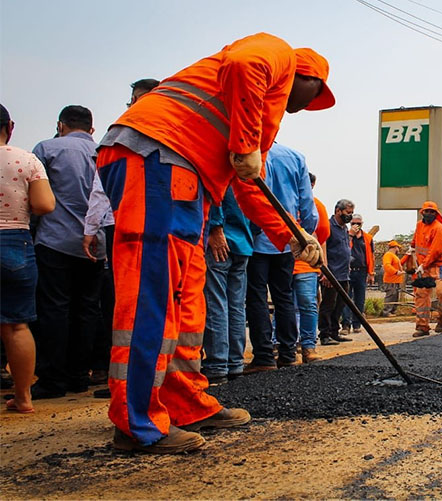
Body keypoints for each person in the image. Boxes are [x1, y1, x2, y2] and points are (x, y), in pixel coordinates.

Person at [95, 33, 331, 454]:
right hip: (156, 156)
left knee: (188, 303)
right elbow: (244, 66)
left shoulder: (256, 111)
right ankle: (137, 423)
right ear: (307, 75)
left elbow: (249, 183)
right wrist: (245, 146)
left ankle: (185, 404)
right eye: (313, 95)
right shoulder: (274, 53)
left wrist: (293, 236)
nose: (304, 107)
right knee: (154, 295)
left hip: (185, 176)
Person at [84, 78, 160, 397]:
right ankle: (148, 382)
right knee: (157, 303)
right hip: (161, 228)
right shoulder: (175, 133)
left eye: (134, 99)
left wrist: (90, 229)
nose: (130, 106)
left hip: (128, 227)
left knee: (127, 303)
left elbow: (102, 188)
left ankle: (129, 386)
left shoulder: (123, 133)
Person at [29, 105, 106, 400]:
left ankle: (52, 378)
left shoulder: (47, 148)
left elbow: (37, 199)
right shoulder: (104, 151)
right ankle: (79, 376)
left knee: (54, 309)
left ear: (61, 125)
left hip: (54, 241)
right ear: (91, 129)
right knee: (88, 310)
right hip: (96, 245)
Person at [0, 104, 56, 414]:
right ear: (10, 126)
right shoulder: (26, 160)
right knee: (16, 327)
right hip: (14, 241)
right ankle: (23, 397)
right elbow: (46, 204)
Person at [244, 143, 317, 371]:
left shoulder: (249, 154)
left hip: (255, 240)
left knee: (256, 298)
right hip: (287, 242)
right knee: (284, 297)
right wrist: (303, 236)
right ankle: (287, 353)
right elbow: (308, 206)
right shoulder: (295, 157)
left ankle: (264, 356)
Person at [202, 185, 253, 384]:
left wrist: (215, 227)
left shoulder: (223, 165)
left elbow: (214, 192)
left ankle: (217, 365)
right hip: (243, 241)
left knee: (217, 302)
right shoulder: (252, 169)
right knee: (236, 306)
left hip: (221, 238)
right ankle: (235, 363)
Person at [292, 172, 330, 363]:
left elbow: (322, 237)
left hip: (306, 266)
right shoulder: (285, 201)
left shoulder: (317, 207)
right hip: (283, 263)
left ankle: (308, 346)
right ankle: (282, 344)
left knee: (307, 304)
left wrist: (322, 266)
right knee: (285, 306)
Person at [409, 201, 442, 337]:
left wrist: (423, 265)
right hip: (424, 267)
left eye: (432, 212)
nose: (429, 214)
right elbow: (416, 241)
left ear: (436, 213)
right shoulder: (419, 226)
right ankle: (422, 327)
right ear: (422, 212)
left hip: (440, 265)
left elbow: (436, 250)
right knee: (421, 295)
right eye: (426, 211)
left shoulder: (438, 228)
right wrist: (411, 249)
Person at [318, 199, 355, 345]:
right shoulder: (328, 226)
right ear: (338, 211)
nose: (349, 216)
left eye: (351, 213)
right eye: (347, 212)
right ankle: (324, 334)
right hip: (331, 273)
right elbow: (323, 247)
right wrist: (325, 271)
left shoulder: (344, 228)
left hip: (344, 273)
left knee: (340, 304)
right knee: (328, 304)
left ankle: (334, 331)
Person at [341, 213, 374, 334]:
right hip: (348, 270)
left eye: (358, 223)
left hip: (362, 271)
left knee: (360, 299)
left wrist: (371, 273)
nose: (356, 225)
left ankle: (357, 324)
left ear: (362, 224)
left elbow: (371, 256)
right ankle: (345, 325)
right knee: (346, 298)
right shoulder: (345, 235)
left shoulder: (368, 238)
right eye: (353, 223)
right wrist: (351, 235)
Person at [381, 240, 405, 316]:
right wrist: (396, 272)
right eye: (398, 247)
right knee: (390, 296)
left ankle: (392, 311)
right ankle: (386, 312)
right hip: (390, 280)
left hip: (395, 280)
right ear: (395, 247)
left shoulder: (394, 256)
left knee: (394, 296)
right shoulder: (388, 255)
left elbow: (399, 263)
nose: (399, 249)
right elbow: (387, 266)